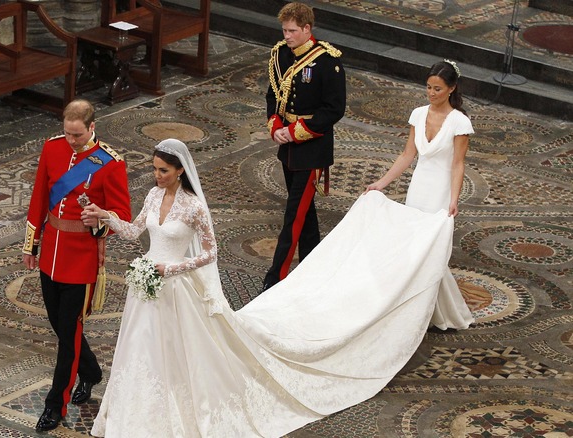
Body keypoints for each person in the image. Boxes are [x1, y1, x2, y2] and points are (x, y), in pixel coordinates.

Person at [83, 138, 460, 437]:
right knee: (140, 351)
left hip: (176, 288)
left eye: (163, 170)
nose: (156, 176)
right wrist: (107, 217)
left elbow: (210, 253)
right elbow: (135, 232)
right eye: (154, 169)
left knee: (179, 352)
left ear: (180, 171)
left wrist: (174, 267)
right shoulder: (151, 196)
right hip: (146, 288)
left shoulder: (194, 207)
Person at [22, 99, 131, 432]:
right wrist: (32, 244)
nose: (71, 140)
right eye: (67, 133)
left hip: (81, 259)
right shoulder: (52, 149)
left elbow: (122, 216)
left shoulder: (110, 164)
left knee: (68, 333)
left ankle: (56, 404)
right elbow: (40, 195)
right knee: (59, 324)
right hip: (52, 250)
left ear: (92, 127)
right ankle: (92, 371)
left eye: (78, 135)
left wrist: (100, 219)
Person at [366, 59, 475, 330]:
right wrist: (382, 183)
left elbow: (458, 163)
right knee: (414, 248)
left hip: (440, 190)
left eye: (437, 89)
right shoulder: (417, 114)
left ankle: (425, 311)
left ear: (451, 89)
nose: (431, 93)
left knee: (430, 250)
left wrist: (454, 199)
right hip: (419, 187)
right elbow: (407, 154)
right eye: (428, 87)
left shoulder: (459, 122)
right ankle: (416, 309)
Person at [263, 2, 347, 292]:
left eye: (293, 31)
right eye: (284, 30)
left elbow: (334, 109)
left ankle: (276, 280)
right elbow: (272, 95)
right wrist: (275, 126)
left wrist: (295, 132)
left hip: (312, 147)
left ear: (308, 29)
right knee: (305, 214)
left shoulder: (327, 61)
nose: (287, 36)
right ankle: (314, 268)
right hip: (287, 146)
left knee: (294, 214)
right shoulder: (280, 55)